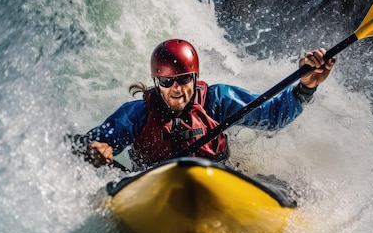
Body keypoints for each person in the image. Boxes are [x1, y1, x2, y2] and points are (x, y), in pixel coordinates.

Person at [72, 39, 335, 170]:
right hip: (154, 188)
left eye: (184, 79)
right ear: (156, 82)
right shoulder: (137, 114)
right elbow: (91, 143)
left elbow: (275, 116)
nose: (176, 88)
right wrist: (95, 148)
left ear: (195, 77)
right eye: (166, 82)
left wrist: (307, 85)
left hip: (217, 179)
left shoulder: (217, 101)